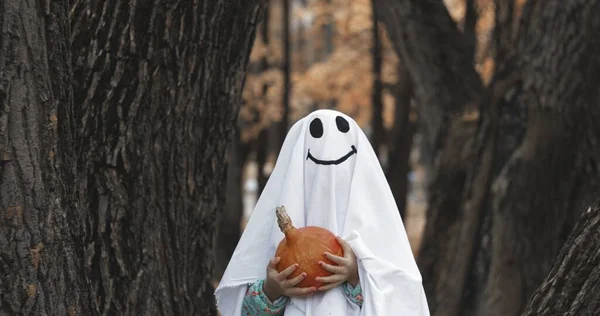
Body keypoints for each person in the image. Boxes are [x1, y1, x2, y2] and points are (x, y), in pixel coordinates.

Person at [215, 110, 430, 315]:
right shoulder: (270, 235)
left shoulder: (379, 232)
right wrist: (272, 290)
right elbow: (244, 311)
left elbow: (402, 300)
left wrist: (356, 275)